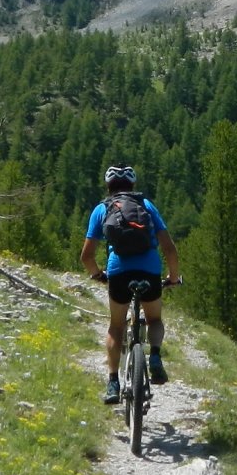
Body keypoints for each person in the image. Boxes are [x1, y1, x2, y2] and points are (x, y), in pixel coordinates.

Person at [80, 164, 181, 404]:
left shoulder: (101, 209)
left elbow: (86, 257)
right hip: (149, 270)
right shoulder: (146, 206)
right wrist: (173, 277)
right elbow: (169, 248)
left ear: (108, 186)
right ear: (132, 185)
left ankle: (113, 382)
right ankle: (154, 356)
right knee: (154, 319)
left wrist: (98, 275)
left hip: (119, 271)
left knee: (116, 327)